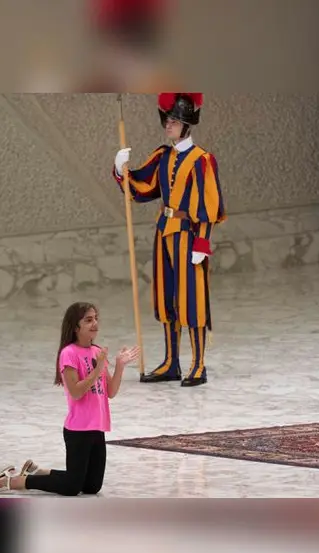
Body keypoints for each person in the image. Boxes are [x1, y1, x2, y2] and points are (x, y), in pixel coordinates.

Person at [112, 93, 226, 387]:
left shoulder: (202, 160)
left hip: (189, 237)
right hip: (164, 232)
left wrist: (202, 244)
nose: (168, 126)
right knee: (167, 299)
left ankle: (198, 364)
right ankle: (171, 362)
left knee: (192, 301)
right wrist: (120, 169)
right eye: (167, 120)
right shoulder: (163, 156)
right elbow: (141, 189)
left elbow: (209, 208)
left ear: (187, 124)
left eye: (174, 121)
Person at [0, 302, 140, 496]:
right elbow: (76, 392)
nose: (95, 323)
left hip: (97, 427)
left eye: (96, 318)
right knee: (72, 487)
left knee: (91, 486)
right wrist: (97, 370)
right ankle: (13, 481)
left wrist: (119, 366)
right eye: (88, 320)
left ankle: (37, 471)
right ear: (75, 327)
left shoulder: (98, 351)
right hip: (78, 429)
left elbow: (110, 392)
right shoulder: (68, 354)